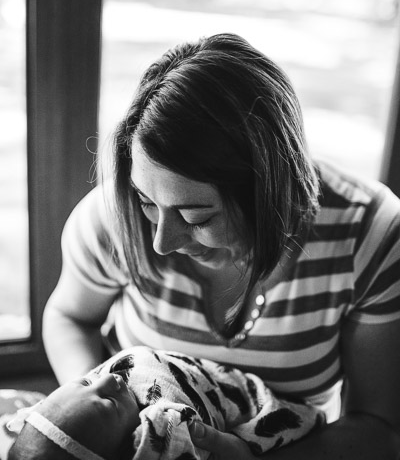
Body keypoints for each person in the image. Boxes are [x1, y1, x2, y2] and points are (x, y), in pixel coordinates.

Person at [43, 33, 400, 459]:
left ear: (270, 192)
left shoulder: (371, 235)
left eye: (198, 217)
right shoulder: (112, 216)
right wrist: (101, 420)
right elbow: (69, 315)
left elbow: (380, 430)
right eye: (147, 202)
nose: (161, 242)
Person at [7, 346, 324, 460]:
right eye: (108, 403)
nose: (111, 378)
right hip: (249, 401)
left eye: (87, 381)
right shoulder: (160, 429)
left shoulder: (104, 389)